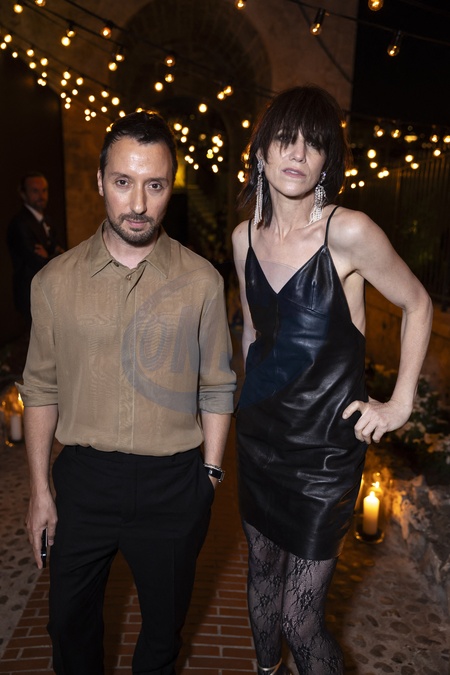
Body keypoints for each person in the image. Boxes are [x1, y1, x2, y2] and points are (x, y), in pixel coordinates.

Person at [20, 111, 236, 675]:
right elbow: (40, 386)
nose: (138, 203)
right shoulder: (53, 282)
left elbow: (217, 384)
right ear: (100, 181)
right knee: (69, 629)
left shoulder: (202, 281)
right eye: (123, 182)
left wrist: (210, 477)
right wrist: (40, 490)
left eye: (155, 185)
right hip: (84, 482)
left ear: (171, 187)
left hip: (173, 485)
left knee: (162, 637)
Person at [232, 85, 432, 675]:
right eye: (284, 139)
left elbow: (418, 303)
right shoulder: (244, 238)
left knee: (300, 619)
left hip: (324, 454)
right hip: (260, 442)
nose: (297, 153)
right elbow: (253, 334)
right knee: (261, 574)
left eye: (313, 144)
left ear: (327, 161)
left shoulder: (348, 232)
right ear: (261, 151)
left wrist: (399, 403)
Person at [7, 172, 64, 326]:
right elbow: (37, 262)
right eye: (35, 191)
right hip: (31, 295)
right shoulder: (20, 224)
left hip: (50, 293)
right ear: (23, 194)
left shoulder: (48, 220)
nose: (41, 195)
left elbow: (62, 254)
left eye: (44, 190)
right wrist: (55, 255)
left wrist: (50, 256)